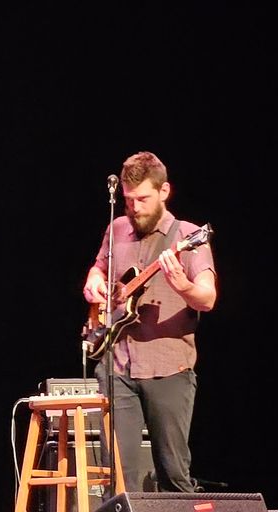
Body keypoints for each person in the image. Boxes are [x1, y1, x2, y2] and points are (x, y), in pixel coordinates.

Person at [82, 151, 217, 493]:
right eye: (128, 200)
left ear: (164, 191)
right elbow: (99, 267)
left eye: (142, 198)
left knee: (173, 473)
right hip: (117, 366)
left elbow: (208, 297)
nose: (135, 207)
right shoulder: (117, 228)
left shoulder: (187, 236)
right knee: (119, 479)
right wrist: (94, 281)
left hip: (168, 368)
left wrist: (182, 286)